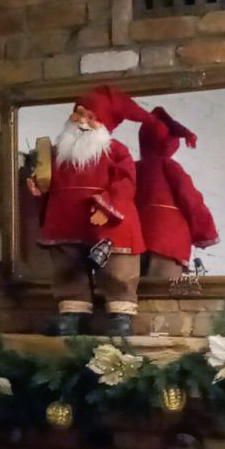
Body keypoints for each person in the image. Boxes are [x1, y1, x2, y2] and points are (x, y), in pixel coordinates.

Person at [27, 85, 148, 336]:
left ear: (104, 123)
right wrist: (39, 189)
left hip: (105, 221)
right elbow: (48, 183)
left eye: (91, 117)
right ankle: (73, 313)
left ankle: (120, 314)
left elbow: (125, 183)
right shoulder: (55, 153)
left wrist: (108, 207)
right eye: (79, 113)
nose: (82, 121)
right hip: (66, 220)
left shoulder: (117, 151)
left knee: (117, 266)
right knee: (67, 266)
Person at [135, 106, 218, 281]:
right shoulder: (170, 167)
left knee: (132, 286)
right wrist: (205, 233)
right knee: (162, 288)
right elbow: (190, 199)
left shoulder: (132, 168)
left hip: (134, 237)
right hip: (168, 238)